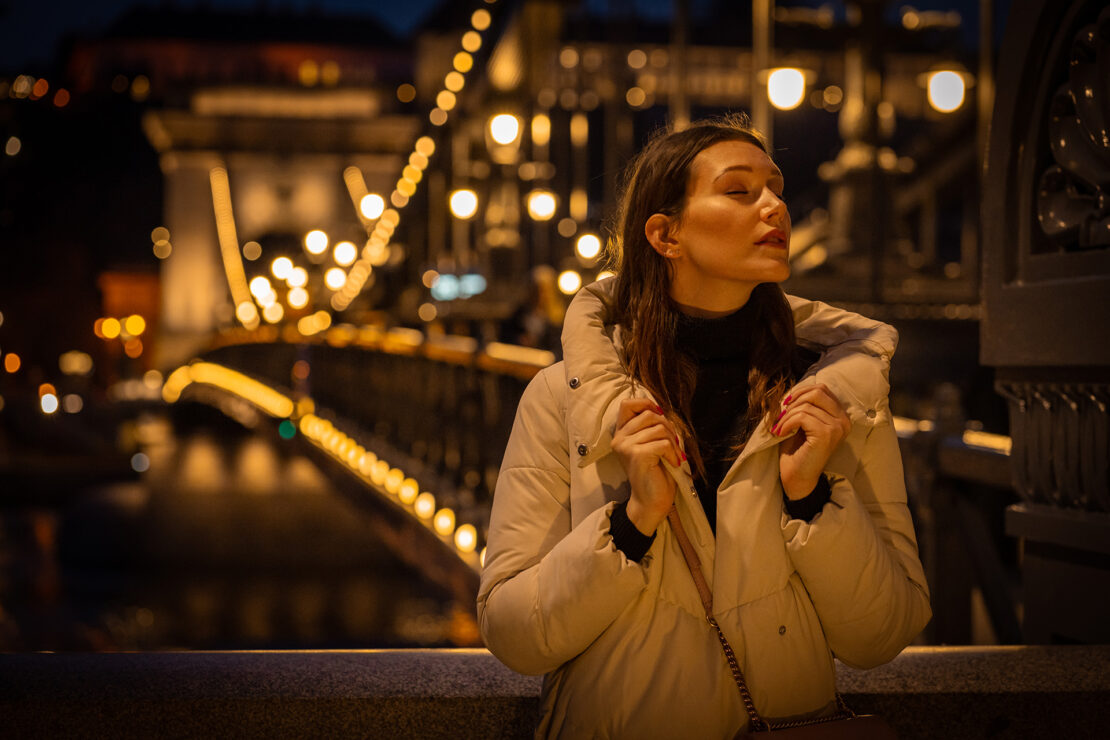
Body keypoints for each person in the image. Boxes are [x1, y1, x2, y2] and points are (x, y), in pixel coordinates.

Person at [477, 115, 931, 739]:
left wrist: (814, 500)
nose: (775, 206)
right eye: (739, 191)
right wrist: (631, 526)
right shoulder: (563, 400)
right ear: (665, 234)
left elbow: (882, 635)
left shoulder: (839, 394)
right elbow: (513, 635)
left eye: (776, 188)